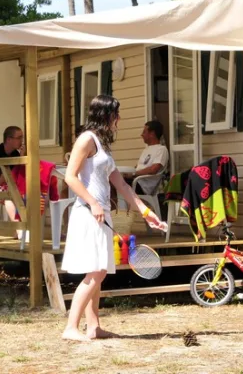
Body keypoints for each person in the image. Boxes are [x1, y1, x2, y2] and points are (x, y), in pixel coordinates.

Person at [61, 94, 166, 341]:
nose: (119, 118)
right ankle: (71, 328)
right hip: (88, 212)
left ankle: (93, 327)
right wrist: (93, 202)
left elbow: (122, 185)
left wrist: (146, 212)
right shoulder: (86, 139)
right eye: (116, 114)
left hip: (100, 214)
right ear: (106, 114)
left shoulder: (102, 144)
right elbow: (70, 177)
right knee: (97, 271)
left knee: (97, 270)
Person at [122, 120, 169, 195]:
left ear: (152, 134)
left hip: (143, 186)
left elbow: (153, 170)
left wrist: (134, 174)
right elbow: (137, 168)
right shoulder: (146, 150)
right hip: (135, 181)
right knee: (112, 179)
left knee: (115, 182)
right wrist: (129, 173)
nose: (141, 135)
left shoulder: (161, 149)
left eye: (144, 132)